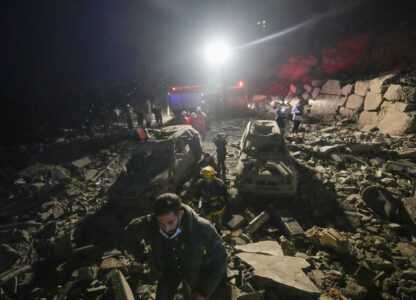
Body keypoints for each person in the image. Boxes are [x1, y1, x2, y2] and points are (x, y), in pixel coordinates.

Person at [125, 193, 227, 300]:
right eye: (162, 224)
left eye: (170, 222)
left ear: (181, 214)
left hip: (196, 273)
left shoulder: (204, 230)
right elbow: (130, 232)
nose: (167, 229)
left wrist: (204, 292)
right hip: (168, 272)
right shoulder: (151, 223)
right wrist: (143, 258)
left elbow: (221, 259)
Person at [194, 166, 227, 234]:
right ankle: (209, 235)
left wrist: (218, 202)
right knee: (207, 222)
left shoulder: (220, 184)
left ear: (213, 176)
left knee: (218, 222)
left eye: (209, 178)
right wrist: (195, 205)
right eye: (205, 178)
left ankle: (218, 234)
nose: (207, 180)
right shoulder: (200, 183)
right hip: (206, 206)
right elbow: (196, 196)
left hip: (218, 207)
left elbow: (225, 197)